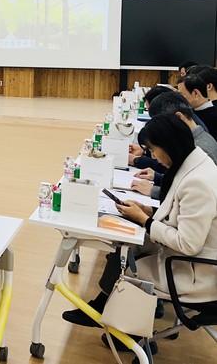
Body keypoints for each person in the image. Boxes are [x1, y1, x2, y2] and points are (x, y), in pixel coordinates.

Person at [63, 114, 217, 353]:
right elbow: (182, 215)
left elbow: (188, 244)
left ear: (169, 145)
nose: (153, 157)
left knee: (130, 265)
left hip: (197, 273)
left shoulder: (197, 182)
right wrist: (148, 211)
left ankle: (135, 340)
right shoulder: (196, 163)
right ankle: (107, 312)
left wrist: (145, 220)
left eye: (154, 150)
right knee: (128, 246)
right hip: (194, 258)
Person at [131, 91, 217, 199]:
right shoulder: (191, 140)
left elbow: (193, 194)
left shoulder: (201, 149)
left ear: (178, 118)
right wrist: (158, 177)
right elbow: (181, 179)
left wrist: (154, 191)